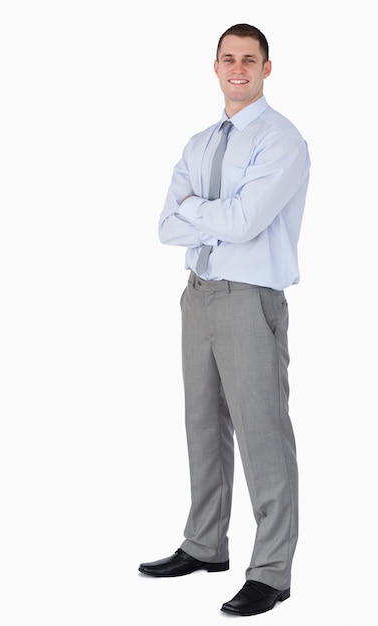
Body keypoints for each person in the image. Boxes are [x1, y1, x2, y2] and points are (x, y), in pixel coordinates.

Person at [138, 23, 310, 617]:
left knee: (262, 431)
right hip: (198, 293)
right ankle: (206, 543)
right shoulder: (199, 143)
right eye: (228, 58)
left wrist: (198, 212)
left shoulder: (281, 140)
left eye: (250, 59)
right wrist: (215, 213)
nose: (239, 68)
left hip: (249, 297)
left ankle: (271, 570)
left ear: (267, 68)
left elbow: (247, 222)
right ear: (215, 67)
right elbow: (165, 226)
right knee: (203, 424)